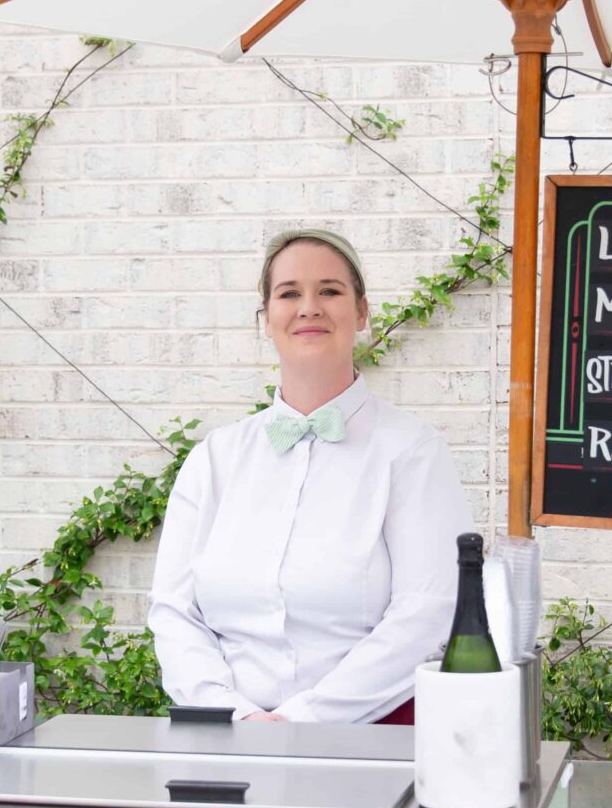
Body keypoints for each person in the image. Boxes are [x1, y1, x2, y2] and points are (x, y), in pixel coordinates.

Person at [148, 228, 471, 725]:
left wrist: (302, 723)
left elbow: (426, 613)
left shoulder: (413, 454)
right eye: (289, 293)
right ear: (267, 318)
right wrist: (234, 716)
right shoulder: (215, 459)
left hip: (367, 742)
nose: (309, 307)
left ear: (361, 313)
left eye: (330, 291)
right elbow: (174, 611)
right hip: (225, 738)